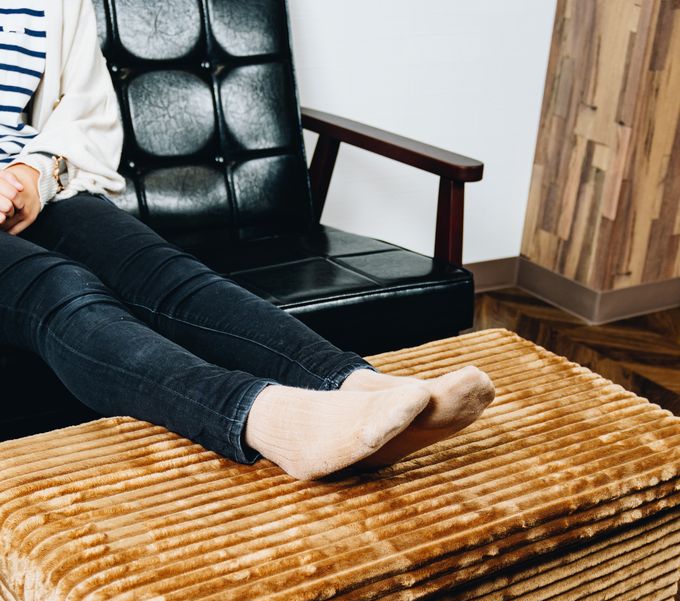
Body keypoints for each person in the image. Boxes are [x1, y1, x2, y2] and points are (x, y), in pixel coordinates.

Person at [0, 0, 495, 480]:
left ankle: (358, 386)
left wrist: (34, 172)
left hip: (24, 185)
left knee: (160, 269)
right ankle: (274, 422)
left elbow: (85, 108)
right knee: (57, 288)